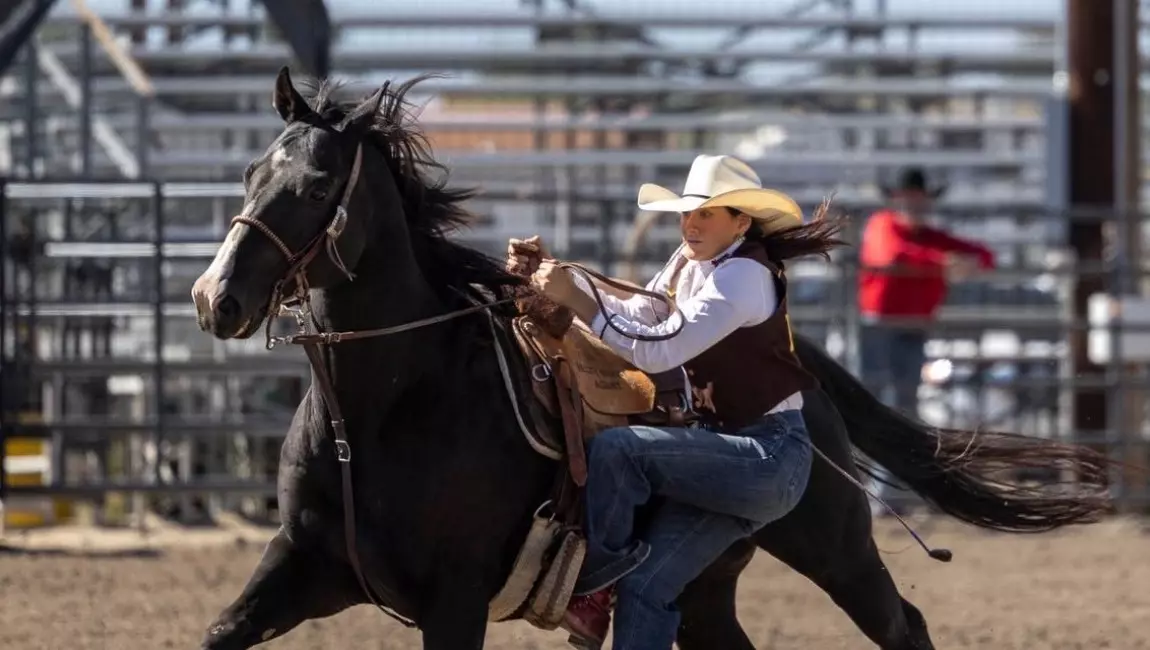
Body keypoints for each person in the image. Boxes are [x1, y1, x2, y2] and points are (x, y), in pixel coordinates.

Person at [507, 154, 848, 649]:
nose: (690, 223)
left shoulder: (744, 276)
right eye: (687, 213)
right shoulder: (691, 263)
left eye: (706, 213)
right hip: (737, 455)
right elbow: (637, 314)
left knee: (619, 451)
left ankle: (595, 586)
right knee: (645, 587)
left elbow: (658, 349)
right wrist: (567, 281)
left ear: (741, 223)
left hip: (767, 456)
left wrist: (577, 300)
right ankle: (606, 588)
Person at [857, 167, 995, 513]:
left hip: (910, 327)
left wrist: (957, 261)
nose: (915, 206)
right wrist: (947, 262)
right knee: (885, 405)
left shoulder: (926, 237)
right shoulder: (883, 226)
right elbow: (891, 256)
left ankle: (886, 493)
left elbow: (985, 256)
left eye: (920, 200)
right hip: (881, 328)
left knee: (899, 406)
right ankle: (883, 491)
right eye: (910, 199)